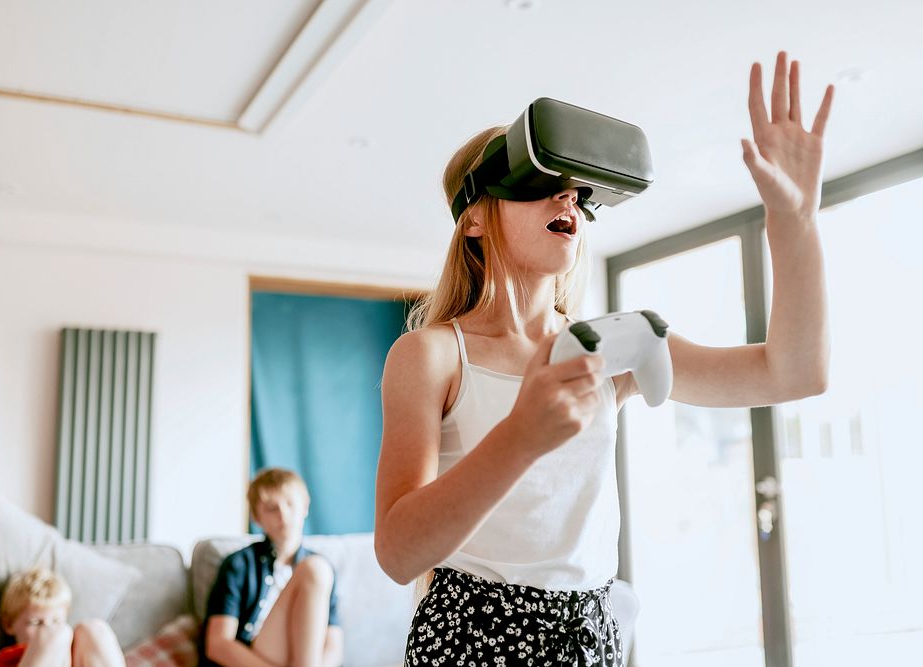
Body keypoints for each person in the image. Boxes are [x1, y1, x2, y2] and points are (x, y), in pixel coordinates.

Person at [374, 51, 834, 666]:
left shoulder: (611, 346)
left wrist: (795, 221)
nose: (567, 199)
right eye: (542, 183)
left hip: (589, 637)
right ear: (475, 218)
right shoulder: (431, 357)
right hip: (470, 637)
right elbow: (398, 553)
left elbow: (793, 373)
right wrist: (521, 436)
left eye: (575, 189)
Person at [201, 468, 343, 667]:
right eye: (271, 508)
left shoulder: (322, 569)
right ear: (257, 518)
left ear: (305, 508)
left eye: (290, 504)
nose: (283, 515)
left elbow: (333, 646)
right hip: (256, 660)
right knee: (314, 569)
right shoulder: (239, 564)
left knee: (318, 569)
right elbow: (218, 644)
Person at [0, 567, 125, 667]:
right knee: (57, 635)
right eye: (36, 623)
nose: (47, 628)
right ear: (8, 625)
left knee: (94, 629)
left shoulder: (78, 653)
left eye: (56, 621)